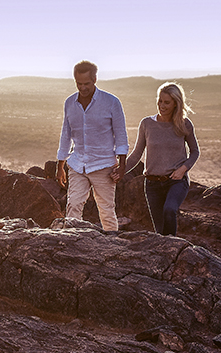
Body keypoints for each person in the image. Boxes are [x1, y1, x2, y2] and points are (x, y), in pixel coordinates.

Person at [56, 60, 128, 230]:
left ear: (95, 79)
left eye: (86, 83)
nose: (82, 88)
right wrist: (60, 165)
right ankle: (72, 242)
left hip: (103, 165)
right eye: (78, 83)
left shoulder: (111, 102)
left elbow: (121, 135)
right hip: (77, 163)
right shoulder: (69, 103)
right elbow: (66, 135)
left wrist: (123, 165)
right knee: (73, 205)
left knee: (106, 210)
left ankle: (112, 244)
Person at [123, 82, 200, 236]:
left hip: (176, 181)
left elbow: (195, 152)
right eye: (160, 101)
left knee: (170, 210)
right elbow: (137, 154)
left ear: (176, 104)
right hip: (152, 184)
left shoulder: (184, 124)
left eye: (167, 102)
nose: (162, 106)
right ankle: (169, 253)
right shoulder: (147, 124)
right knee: (160, 231)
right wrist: (119, 171)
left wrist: (183, 169)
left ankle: (173, 248)